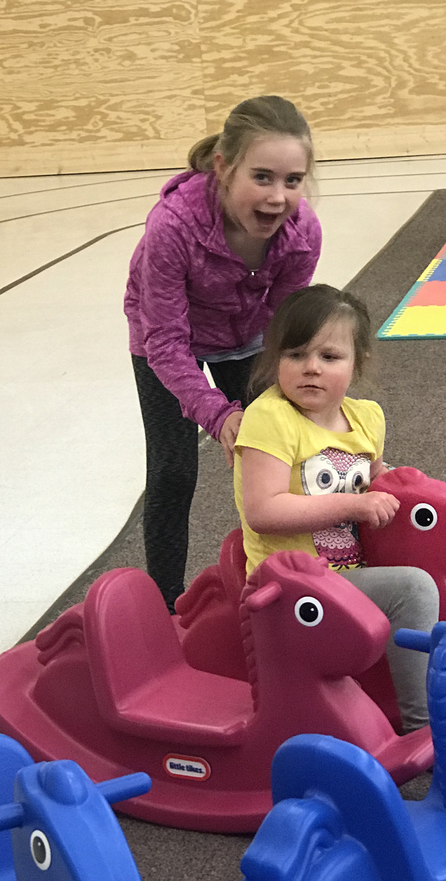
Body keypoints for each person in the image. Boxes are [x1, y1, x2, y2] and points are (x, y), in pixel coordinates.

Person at [124, 95, 322, 613]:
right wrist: (216, 415)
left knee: (277, 458)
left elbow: (284, 330)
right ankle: (165, 606)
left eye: (293, 181)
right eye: (262, 177)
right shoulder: (172, 225)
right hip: (165, 340)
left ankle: (283, 580)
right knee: (173, 471)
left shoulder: (302, 235)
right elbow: (165, 338)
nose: (278, 197)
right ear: (223, 167)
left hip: (249, 340)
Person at [233, 284, 440, 732]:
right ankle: (421, 724)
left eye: (329, 357)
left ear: (357, 363)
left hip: (348, 571)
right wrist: (354, 503)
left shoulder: (367, 417)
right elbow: (263, 512)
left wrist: (403, 485)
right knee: (415, 589)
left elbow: (375, 483)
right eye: (295, 355)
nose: (310, 368)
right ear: (274, 361)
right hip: (293, 586)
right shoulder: (270, 418)